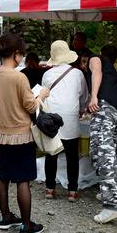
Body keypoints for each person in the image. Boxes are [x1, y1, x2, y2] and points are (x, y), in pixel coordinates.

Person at [0, 33, 50, 233]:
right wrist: (41, 95)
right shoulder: (19, 76)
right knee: (23, 180)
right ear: (16, 54)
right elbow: (30, 105)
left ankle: (6, 217)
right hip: (22, 134)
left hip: (3, 133)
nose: (22, 58)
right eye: (21, 54)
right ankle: (26, 225)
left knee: (4, 176)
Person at [42, 40, 88, 202]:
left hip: (52, 118)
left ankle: (49, 189)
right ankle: (72, 191)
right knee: (72, 156)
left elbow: (43, 96)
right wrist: (82, 109)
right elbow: (83, 97)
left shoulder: (47, 74)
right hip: (70, 118)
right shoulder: (78, 74)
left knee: (51, 154)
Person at [87, 45, 117, 223]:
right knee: (104, 151)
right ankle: (112, 190)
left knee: (104, 155)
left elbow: (96, 72)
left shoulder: (95, 59)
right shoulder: (111, 70)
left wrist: (93, 96)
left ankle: (112, 204)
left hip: (105, 107)